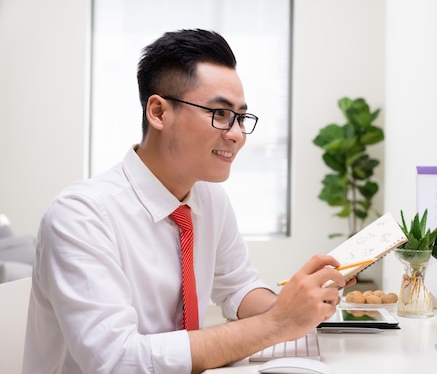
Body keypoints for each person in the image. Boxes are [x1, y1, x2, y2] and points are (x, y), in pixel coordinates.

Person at [23, 29, 349, 374]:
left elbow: (237, 285)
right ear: (159, 112)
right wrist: (276, 324)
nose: (236, 134)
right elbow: (118, 361)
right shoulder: (80, 216)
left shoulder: (209, 199)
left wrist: (296, 307)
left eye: (240, 117)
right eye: (220, 113)